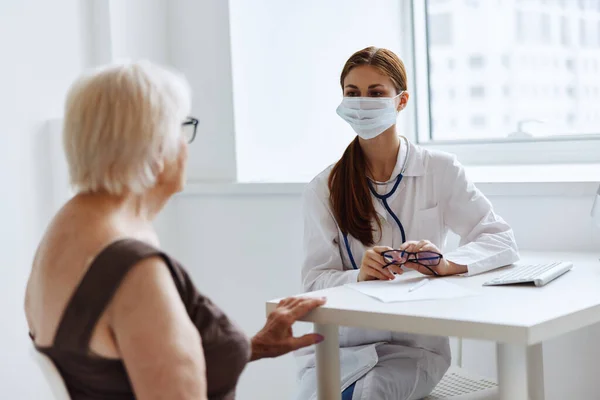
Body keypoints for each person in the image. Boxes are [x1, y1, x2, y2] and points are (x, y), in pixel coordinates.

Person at [24, 61, 325, 400]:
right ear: (154, 148)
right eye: (182, 128)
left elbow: (115, 371)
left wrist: (248, 348)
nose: (185, 145)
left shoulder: (67, 230)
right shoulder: (132, 268)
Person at [298, 47, 519, 400]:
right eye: (352, 93)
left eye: (375, 93)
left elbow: (500, 239)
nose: (362, 102)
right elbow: (314, 282)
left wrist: (445, 263)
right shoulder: (324, 188)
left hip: (414, 348)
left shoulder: (440, 170)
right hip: (342, 347)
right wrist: (359, 273)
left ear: (401, 101)